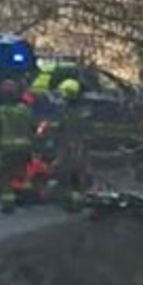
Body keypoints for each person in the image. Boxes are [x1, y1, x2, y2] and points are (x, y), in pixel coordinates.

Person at [0, 78, 33, 215]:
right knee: (22, 174)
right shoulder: (25, 110)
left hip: (6, 147)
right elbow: (32, 127)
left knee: (4, 177)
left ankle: (8, 203)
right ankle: (26, 198)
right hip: (25, 147)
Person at [53, 77, 89, 212]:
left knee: (69, 175)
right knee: (77, 174)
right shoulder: (82, 111)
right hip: (79, 148)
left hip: (70, 149)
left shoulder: (67, 112)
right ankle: (76, 199)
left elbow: (60, 130)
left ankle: (72, 200)